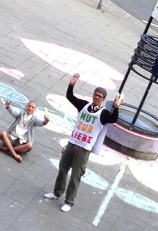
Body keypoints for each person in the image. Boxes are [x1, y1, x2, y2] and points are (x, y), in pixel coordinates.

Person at [44, 75, 122, 213]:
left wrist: (116, 108)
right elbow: (70, 97)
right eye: (95, 95)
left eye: (99, 96)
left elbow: (113, 119)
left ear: (103, 99)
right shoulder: (84, 105)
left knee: (76, 175)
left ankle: (69, 201)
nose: (96, 97)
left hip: (84, 148)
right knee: (62, 168)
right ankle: (57, 192)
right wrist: (71, 85)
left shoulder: (103, 114)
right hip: (72, 142)